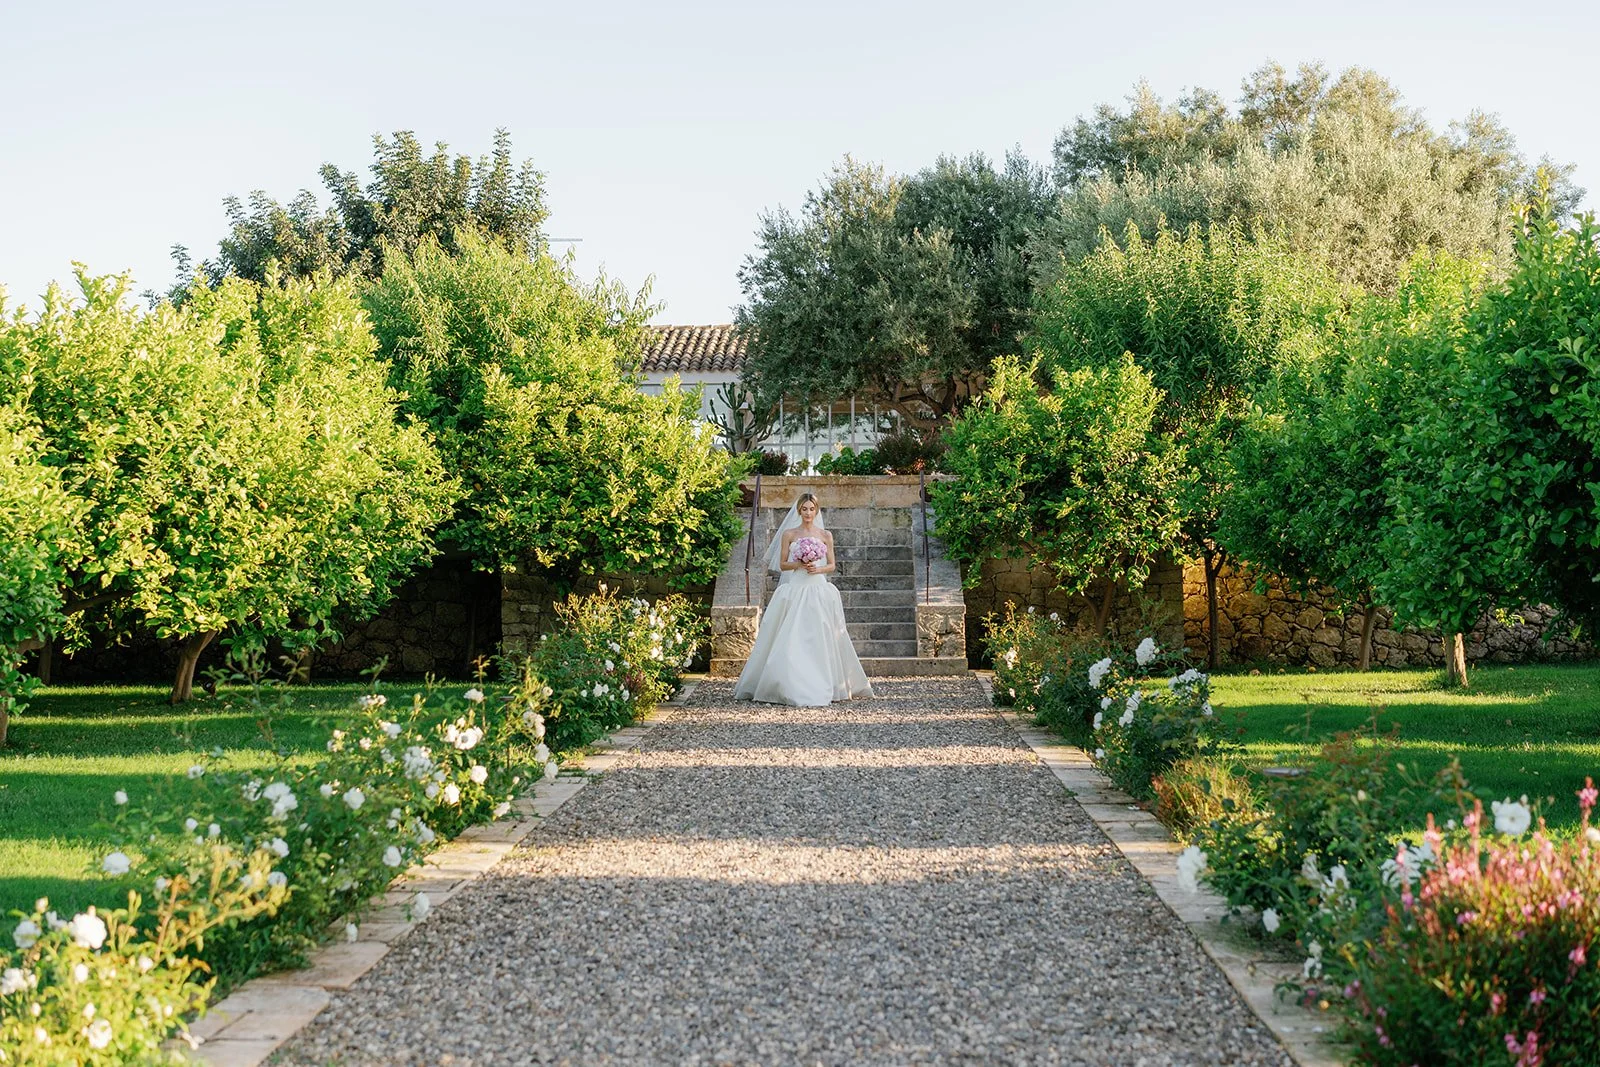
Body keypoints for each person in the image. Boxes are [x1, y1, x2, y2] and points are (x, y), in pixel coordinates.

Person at [733, 492, 875, 706]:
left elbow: (832, 565)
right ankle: (788, 684)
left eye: (811, 509)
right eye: (804, 509)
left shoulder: (825, 535)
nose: (808, 513)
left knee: (821, 634)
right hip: (797, 586)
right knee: (791, 635)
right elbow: (782, 564)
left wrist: (817, 568)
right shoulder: (789, 534)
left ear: (817, 511)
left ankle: (826, 681)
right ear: (799, 510)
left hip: (817, 587)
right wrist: (799, 564)